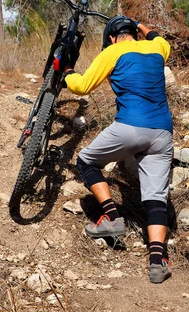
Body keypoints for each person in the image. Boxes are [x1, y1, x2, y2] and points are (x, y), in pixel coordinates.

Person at [53, 15, 174, 284]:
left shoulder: (113, 52)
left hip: (130, 127)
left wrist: (68, 71)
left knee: (86, 161)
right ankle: (157, 261)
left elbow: (82, 86)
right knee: (156, 198)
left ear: (110, 38)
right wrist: (143, 26)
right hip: (163, 133)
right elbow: (156, 36)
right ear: (136, 33)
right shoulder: (157, 48)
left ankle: (112, 217)